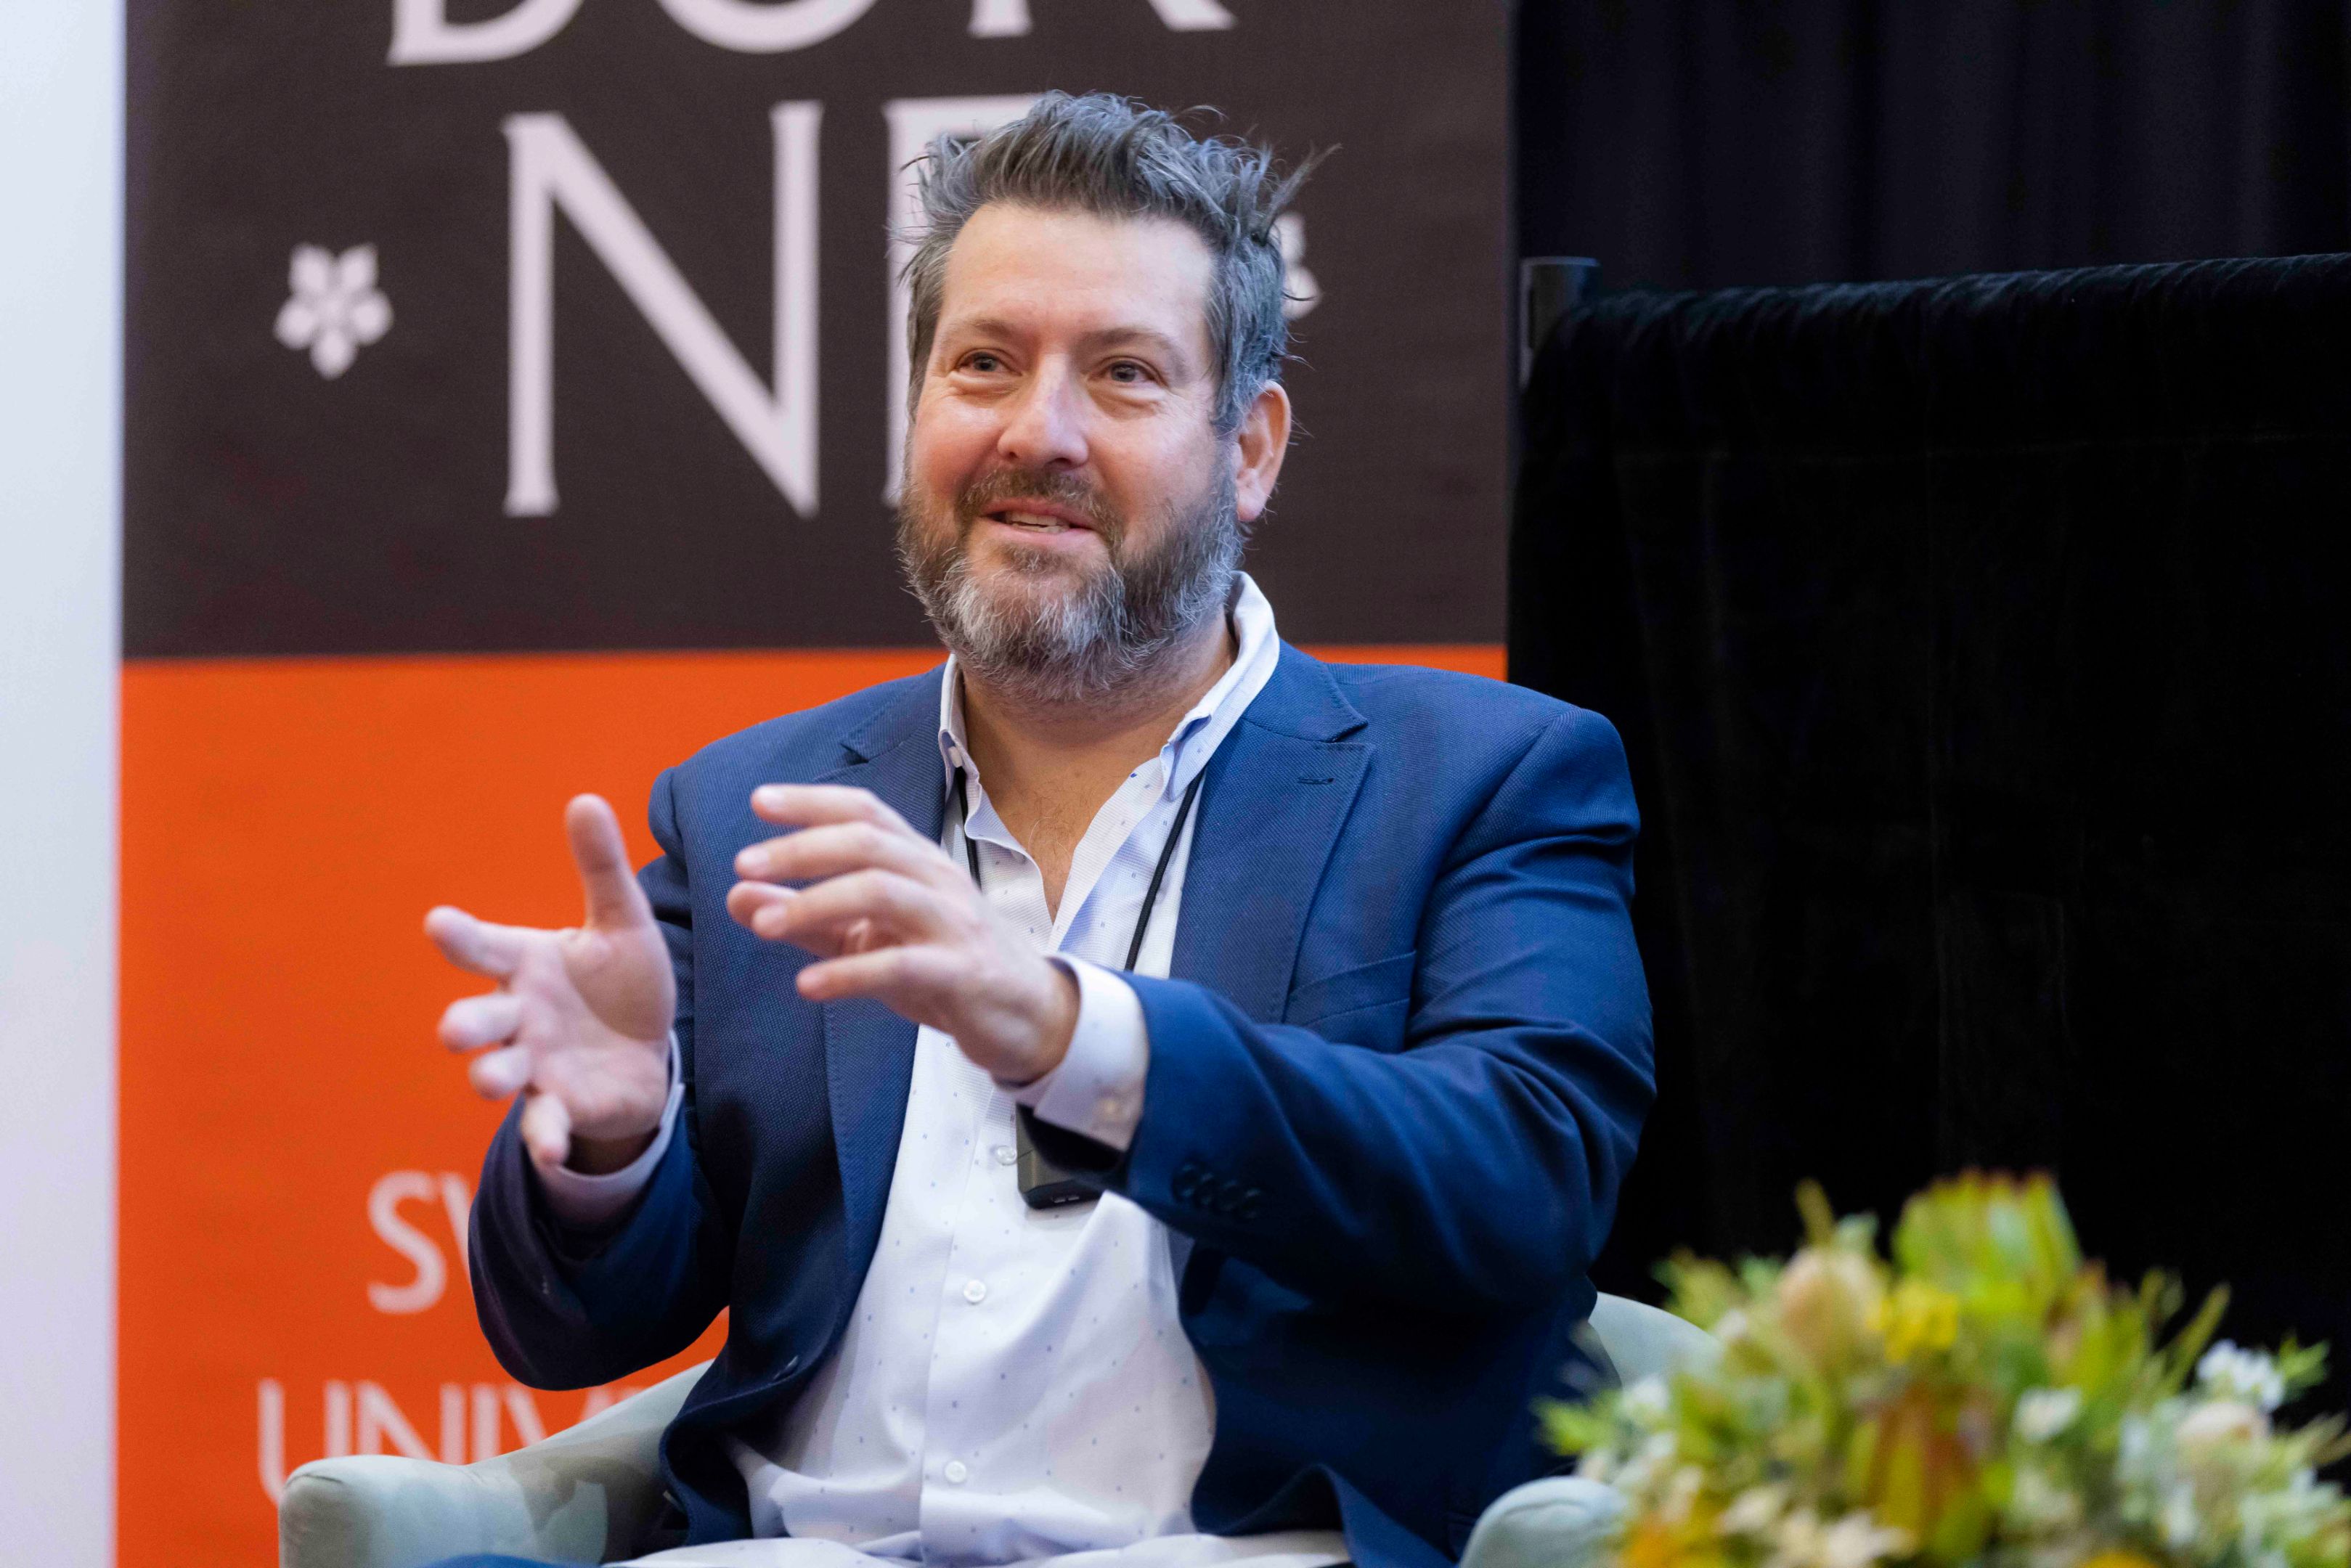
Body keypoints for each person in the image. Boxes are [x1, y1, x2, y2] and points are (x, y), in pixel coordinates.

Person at [420, 93, 1653, 1568]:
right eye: (982, 365)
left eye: (1123, 376)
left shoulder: (1481, 776)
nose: (1035, 432)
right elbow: (572, 1331)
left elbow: (1523, 1185)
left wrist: (1075, 1037)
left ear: (1247, 447)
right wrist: (616, 1138)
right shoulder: (757, 802)